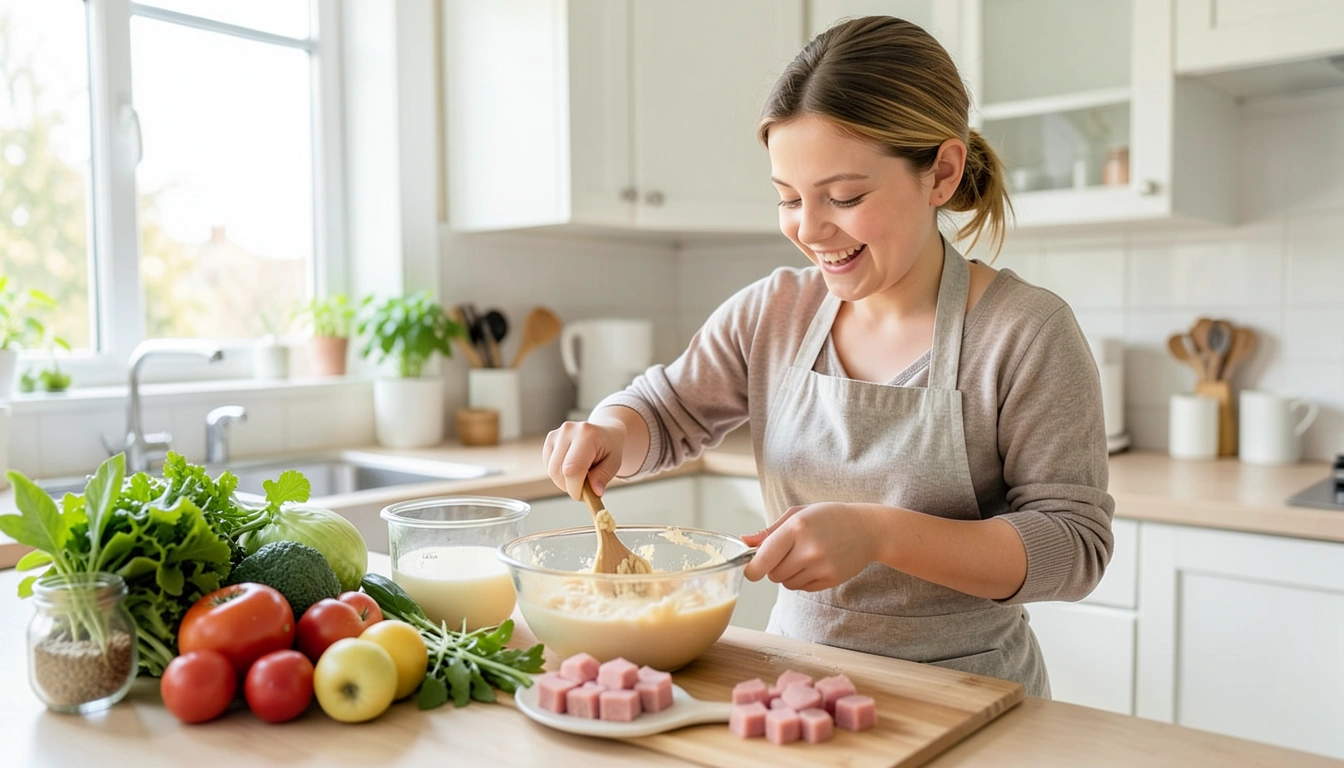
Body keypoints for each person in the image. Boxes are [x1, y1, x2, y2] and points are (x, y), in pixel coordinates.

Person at [542, 16, 1113, 697]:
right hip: (796, 685)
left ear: (942, 172)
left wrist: (879, 535)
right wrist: (609, 432)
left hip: (972, 697)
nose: (810, 231)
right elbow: (663, 412)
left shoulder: (1024, 331)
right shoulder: (773, 314)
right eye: (788, 199)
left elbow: (1073, 548)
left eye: (844, 197)